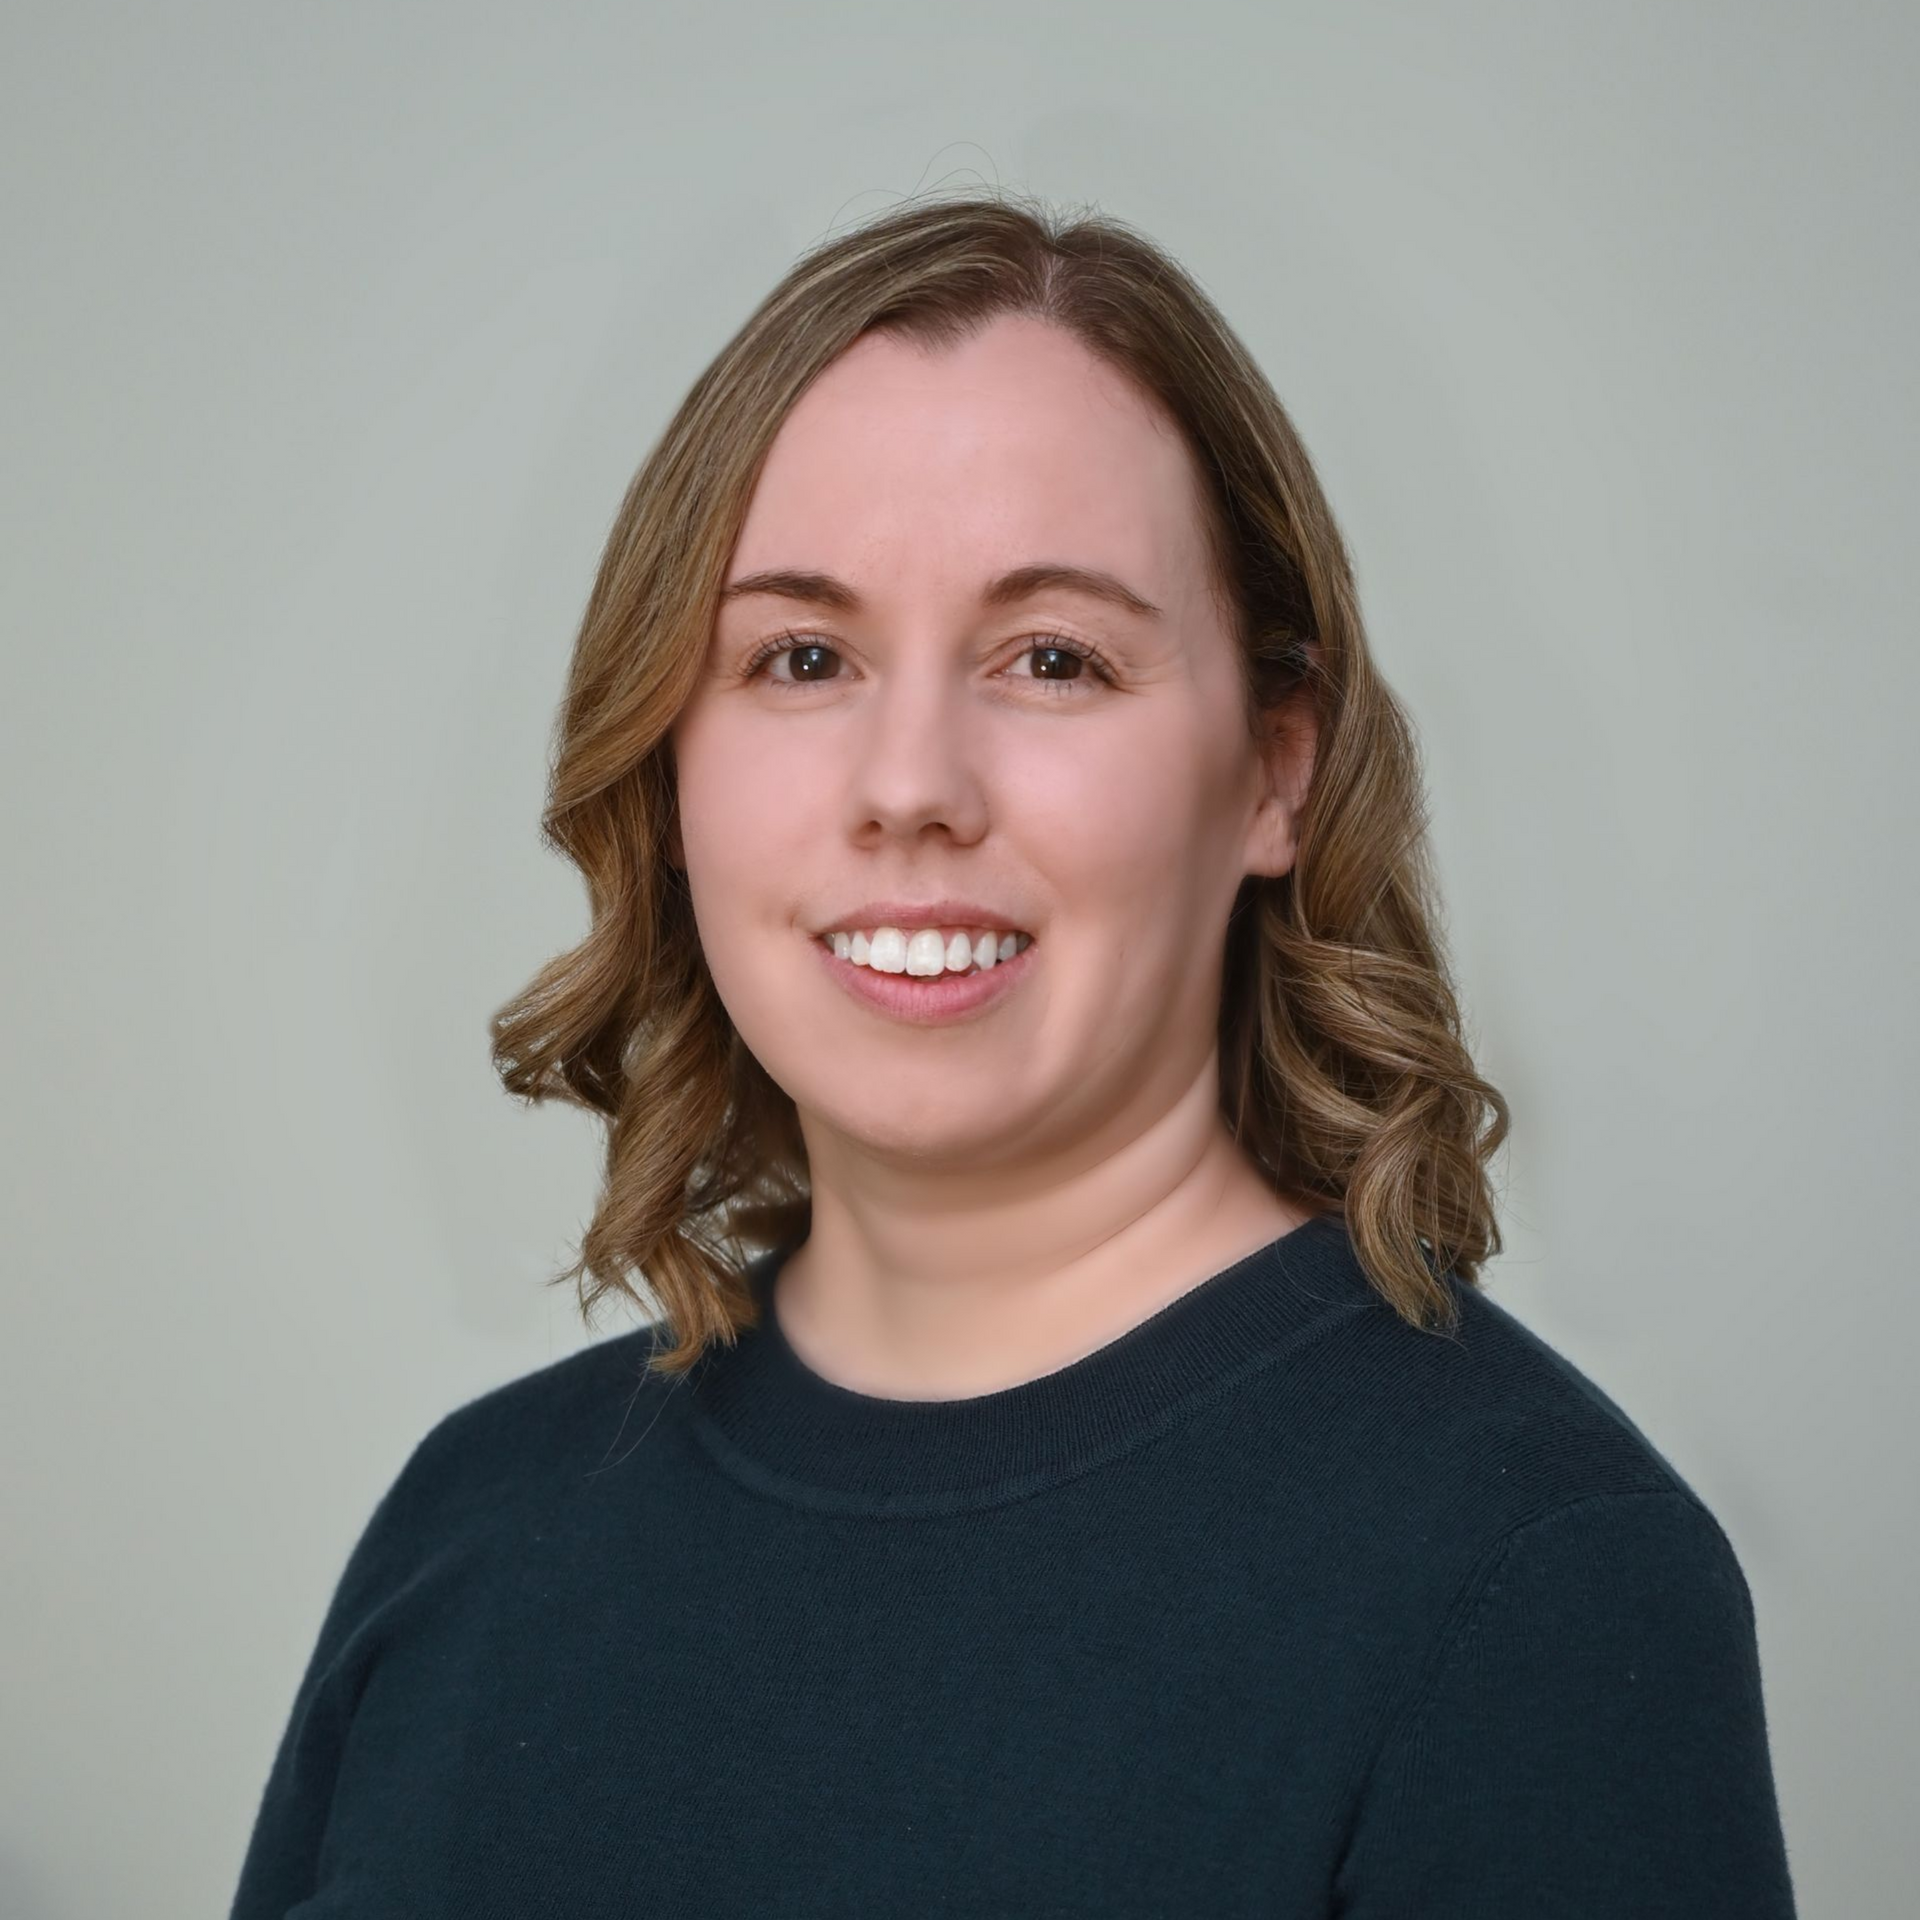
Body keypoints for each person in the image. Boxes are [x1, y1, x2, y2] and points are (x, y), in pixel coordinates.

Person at [229, 188, 1798, 1916]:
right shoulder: (474, 1529)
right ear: (670, 768)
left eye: (1053, 659)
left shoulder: (1535, 1583)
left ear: (1275, 770)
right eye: (801, 656)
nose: (912, 785)